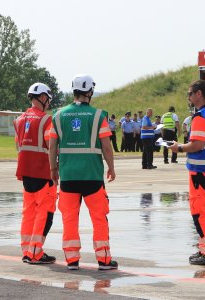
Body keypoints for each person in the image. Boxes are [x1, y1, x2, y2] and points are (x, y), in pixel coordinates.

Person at [49, 74, 118, 271]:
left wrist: (53, 169)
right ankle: (104, 260)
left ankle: (72, 260)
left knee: (69, 218)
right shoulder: (98, 116)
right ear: (89, 91)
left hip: (68, 176)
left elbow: (52, 146)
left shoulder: (58, 115)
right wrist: (111, 167)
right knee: (99, 217)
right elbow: (106, 146)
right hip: (93, 176)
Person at [169, 80, 205, 266]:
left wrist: (179, 148)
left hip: (202, 172)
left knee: (200, 213)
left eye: (190, 93)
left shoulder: (200, 117)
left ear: (199, 94)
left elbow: (197, 144)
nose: (189, 97)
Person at [13, 82, 57, 264]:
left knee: (28, 213)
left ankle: (26, 251)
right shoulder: (47, 120)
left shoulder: (19, 120)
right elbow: (52, 146)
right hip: (43, 172)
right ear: (43, 97)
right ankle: (36, 252)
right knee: (45, 214)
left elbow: (18, 146)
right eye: (48, 98)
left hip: (26, 172)